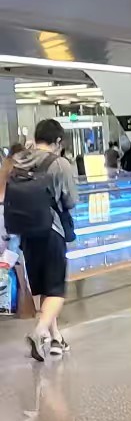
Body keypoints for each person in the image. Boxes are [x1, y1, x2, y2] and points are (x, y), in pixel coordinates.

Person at [3, 119, 78, 360]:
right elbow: (70, 200)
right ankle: (39, 332)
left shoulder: (18, 161)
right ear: (58, 141)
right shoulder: (59, 164)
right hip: (51, 230)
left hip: (26, 232)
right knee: (56, 290)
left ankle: (55, 338)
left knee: (42, 286)